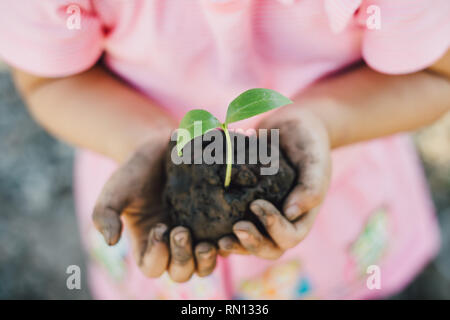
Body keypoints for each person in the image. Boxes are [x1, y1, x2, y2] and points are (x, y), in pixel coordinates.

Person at [1, 0, 449, 299]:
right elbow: (48, 78)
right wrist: (141, 140)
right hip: (151, 201)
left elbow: (437, 73)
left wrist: (323, 122)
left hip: (344, 218)